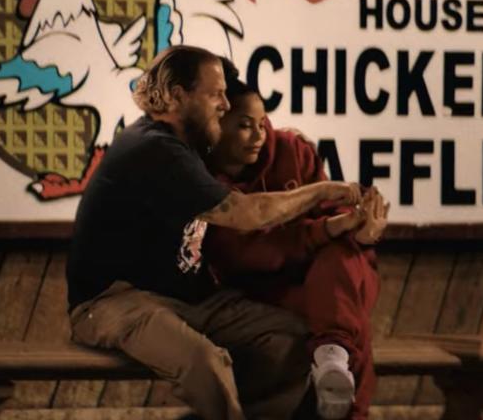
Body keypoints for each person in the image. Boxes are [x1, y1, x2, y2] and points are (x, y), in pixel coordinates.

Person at [66, 45, 364, 420]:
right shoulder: (153, 148)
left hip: (186, 300)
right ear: (178, 96)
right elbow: (246, 214)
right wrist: (322, 191)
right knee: (206, 363)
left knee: (291, 339)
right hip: (112, 302)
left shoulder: (187, 146)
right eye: (215, 94)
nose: (226, 104)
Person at [205, 71, 388, 420]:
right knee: (346, 320)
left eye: (263, 122)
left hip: (331, 274)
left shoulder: (292, 150)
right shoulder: (203, 180)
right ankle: (336, 363)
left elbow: (340, 219)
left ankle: (332, 352)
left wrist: (364, 231)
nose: (259, 135)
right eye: (245, 125)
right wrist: (329, 229)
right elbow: (246, 255)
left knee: (340, 266)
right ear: (218, 126)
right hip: (266, 290)